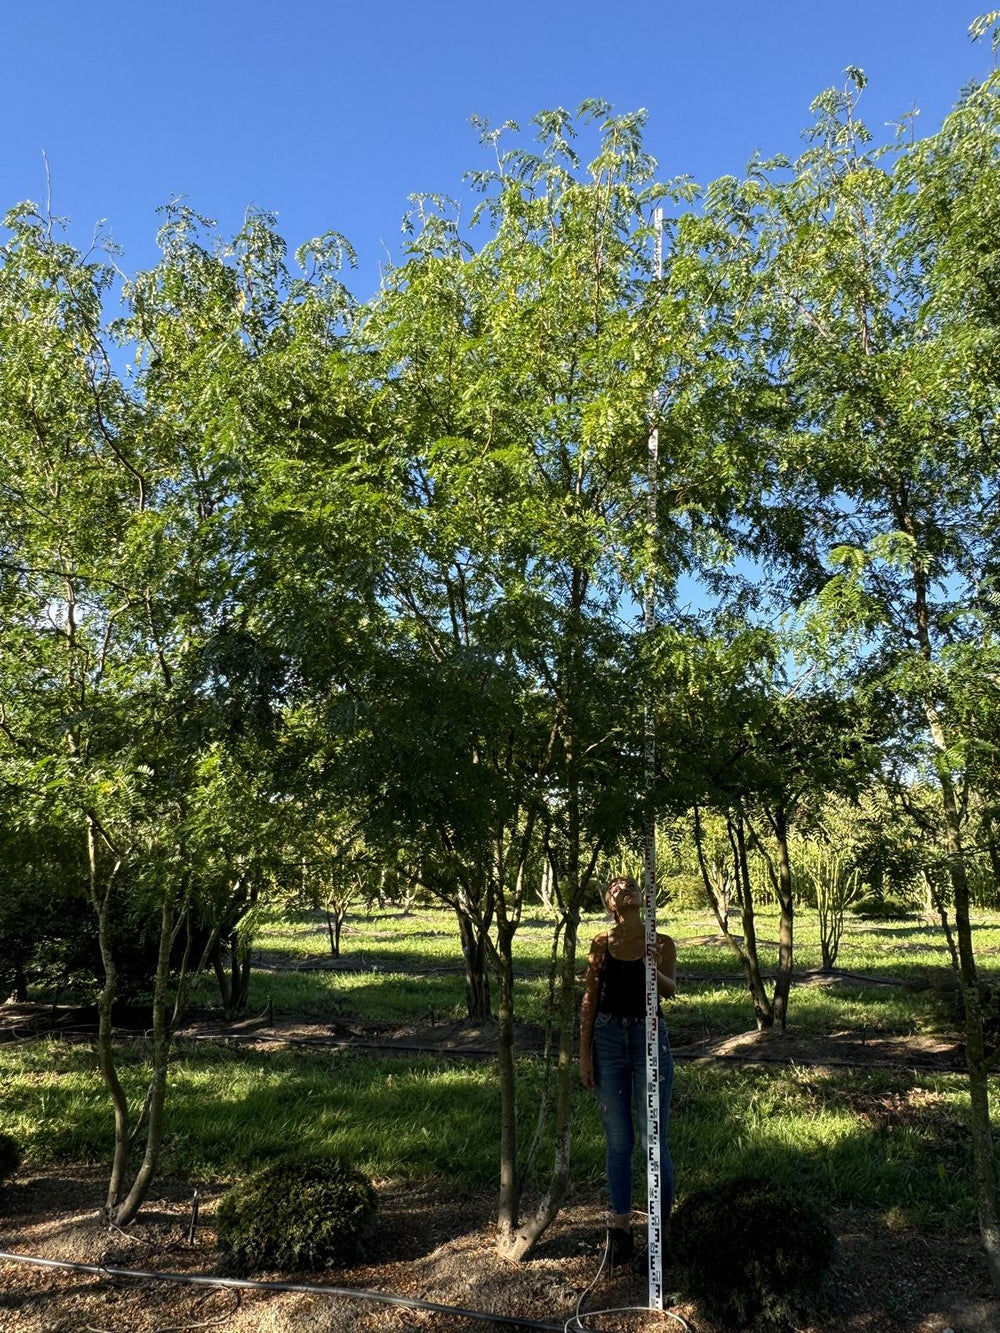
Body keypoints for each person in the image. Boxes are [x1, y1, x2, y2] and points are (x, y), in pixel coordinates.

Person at [579, 875, 676, 1267]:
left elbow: (670, 989)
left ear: (644, 896)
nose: (626, 889)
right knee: (619, 1141)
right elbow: (590, 998)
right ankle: (620, 1231)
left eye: (632, 885)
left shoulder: (662, 941)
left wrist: (654, 966)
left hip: (649, 1037)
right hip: (607, 1040)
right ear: (610, 904)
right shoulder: (602, 943)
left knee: (655, 1141)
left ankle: (662, 1234)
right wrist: (584, 1053)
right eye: (617, 889)